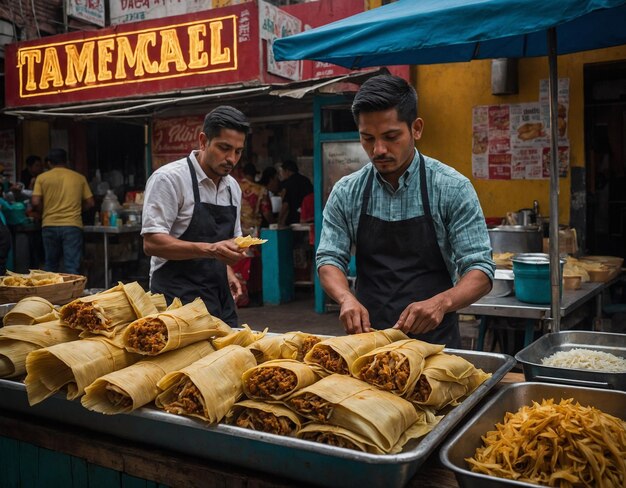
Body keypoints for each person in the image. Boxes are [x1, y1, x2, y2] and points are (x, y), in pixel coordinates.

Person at [316, 75, 494, 347]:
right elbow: (329, 258)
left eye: (391, 137)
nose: (378, 150)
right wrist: (345, 298)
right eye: (367, 138)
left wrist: (441, 302)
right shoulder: (346, 192)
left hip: (436, 345)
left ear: (416, 128)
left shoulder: (452, 188)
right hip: (368, 343)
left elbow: (480, 270)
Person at [142, 105, 250, 327]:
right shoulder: (169, 179)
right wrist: (211, 250)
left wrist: (228, 270)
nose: (231, 158)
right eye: (224, 148)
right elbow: (152, 243)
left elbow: (226, 243)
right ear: (203, 141)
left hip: (218, 296)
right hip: (176, 300)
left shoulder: (232, 188)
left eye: (238, 151)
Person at [32, 148, 95, 274]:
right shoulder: (79, 177)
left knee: (50, 265)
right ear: (66, 161)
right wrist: (77, 208)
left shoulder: (42, 178)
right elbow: (90, 202)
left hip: (49, 224)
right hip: (72, 225)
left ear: (49, 163)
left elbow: (35, 202)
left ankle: (50, 293)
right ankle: (72, 293)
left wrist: (43, 212)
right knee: (72, 266)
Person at [277, 159, 313, 226]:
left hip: (293, 219)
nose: (282, 174)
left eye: (282, 172)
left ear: (287, 171)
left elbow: (286, 204)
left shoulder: (287, 184)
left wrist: (279, 220)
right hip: (309, 217)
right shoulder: (306, 180)